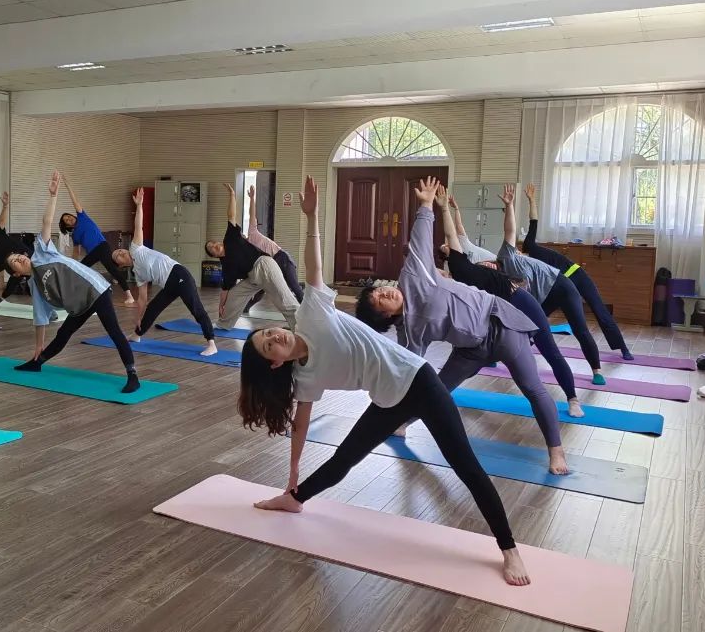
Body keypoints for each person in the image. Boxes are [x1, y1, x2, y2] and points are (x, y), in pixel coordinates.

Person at [239, 175, 530, 586]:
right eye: (269, 345)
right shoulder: (305, 377)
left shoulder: (311, 315)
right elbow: (301, 424)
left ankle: (509, 549)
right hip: (388, 399)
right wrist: (292, 472)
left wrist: (312, 217)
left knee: (465, 465)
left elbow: (314, 266)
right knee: (343, 460)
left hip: (420, 382)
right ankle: (294, 499)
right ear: (274, 363)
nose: (275, 337)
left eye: (269, 332)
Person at [356, 177, 568, 476]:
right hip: (469, 350)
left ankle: (556, 451)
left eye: (380, 290)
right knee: (437, 390)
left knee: (532, 388)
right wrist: (383, 389)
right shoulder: (410, 332)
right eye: (379, 301)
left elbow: (420, 240)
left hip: (500, 327)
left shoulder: (412, 277)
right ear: (385, 317)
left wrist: (426, 206)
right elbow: (408, 367)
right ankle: (402, 424)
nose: (385, 293)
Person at [435, 187, 584, 418]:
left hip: (520, 302)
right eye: (447, 248)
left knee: (549, 350)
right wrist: (444, 208)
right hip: (497, 315)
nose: (450, 244)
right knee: (471, 357)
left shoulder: (471, 258)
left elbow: (504, 231)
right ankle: (441, 393)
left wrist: (508, 206)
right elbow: (452, 236)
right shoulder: (457, 269)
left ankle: (573, 399)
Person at [6, 171, 140, 393]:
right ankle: (37, 362)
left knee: (114, 331)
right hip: (79, 305)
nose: (19, 258)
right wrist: (38, 346)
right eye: (14, 262)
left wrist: (53, 195)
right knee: (63, 333)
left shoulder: (42, 252)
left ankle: (132, 374)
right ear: (17, 274)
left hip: (96, 290)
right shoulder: (35, 287)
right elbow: (40, 319)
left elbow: (46, 222)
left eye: (18, 256)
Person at [494, 185, 607, 385]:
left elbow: (509, 230)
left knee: (580, 329)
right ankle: (503, 358)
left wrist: (510, 206)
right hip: (545, 296)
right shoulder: (502, 280)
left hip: (562, 287)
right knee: (528, 325)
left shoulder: (507, 255)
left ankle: (597, 371)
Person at [521, 184, 634, 360]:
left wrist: (531, 200)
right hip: (560, 286)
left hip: (577, 276)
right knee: (539, 312)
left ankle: (623, 348)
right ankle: (523, 343)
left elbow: (533, 221)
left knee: (599, 310)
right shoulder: (525, 266)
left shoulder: (530, 247)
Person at [111, 189, 218, 357]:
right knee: (153, 308)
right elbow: (142, 299)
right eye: (117, 256)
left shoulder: (136, 248)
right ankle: (137, 335)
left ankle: (211, 343)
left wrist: (139, 205)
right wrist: (138, 318)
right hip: (169, 285)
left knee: (196, 309)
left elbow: (138, 225)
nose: (120, 252)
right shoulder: (138, 274)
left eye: (119, 250)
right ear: (121, 265)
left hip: (179, 275)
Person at [205, 183, 298, 330]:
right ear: (214, 255)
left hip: (264, 266)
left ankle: (302, 328)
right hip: (253, 277)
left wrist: (232, 195)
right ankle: (223, 324)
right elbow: (225, 290)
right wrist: (221, 306)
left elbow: (231, 215)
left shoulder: (231, 238)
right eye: (211, 248)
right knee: (234, 295)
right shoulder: (226, 266)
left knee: (283, 300)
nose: (214, 245)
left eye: (213, 243)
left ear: (220, 242)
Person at [58, 174, 136, 305]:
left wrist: (68, 186)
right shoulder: (75, 235)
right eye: (66, 220)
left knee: (112, 270)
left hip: (102, 246)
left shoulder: (82, 216)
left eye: (69, 216)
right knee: (80, 270)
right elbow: (76, 252)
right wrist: (72, 264)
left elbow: (75, 201)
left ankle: (129, 295)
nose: (69, 218)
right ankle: (75, 295)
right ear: (67, 226)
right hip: (93, 253)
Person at [243, 184, 304, 314]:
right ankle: (246, 308)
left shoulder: (252, 233)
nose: (242, 237)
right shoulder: (247, 250)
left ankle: (307, 311)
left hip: (282, 258)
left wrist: (252, 198)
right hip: (270, 265)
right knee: (261, 288)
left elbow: (251, 214)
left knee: (294, 287)